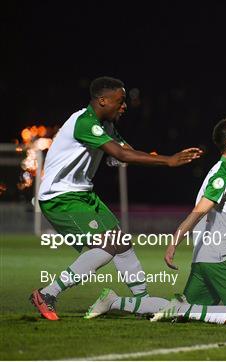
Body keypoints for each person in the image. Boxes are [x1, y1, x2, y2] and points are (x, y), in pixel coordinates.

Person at [30, 76, 203, 321]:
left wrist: (162, 157)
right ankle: (47, 293)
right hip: (60, 197)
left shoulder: (105, 125)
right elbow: (121, 153)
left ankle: (142, 303)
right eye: (120, 101)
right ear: (102, 100)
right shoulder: (84, 123)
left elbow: (127, 152)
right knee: (108, 245)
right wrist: (167, 160)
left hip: (82, 194)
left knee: (121, 243)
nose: (124, 106)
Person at [151, 116, 226, 326]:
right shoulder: (223, 174)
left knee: (181, 318)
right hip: (221, 259)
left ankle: (116, 302)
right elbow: (198, 211)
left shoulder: (223, 172)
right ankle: (184, 308)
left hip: (204, 259)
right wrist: (174, 242)